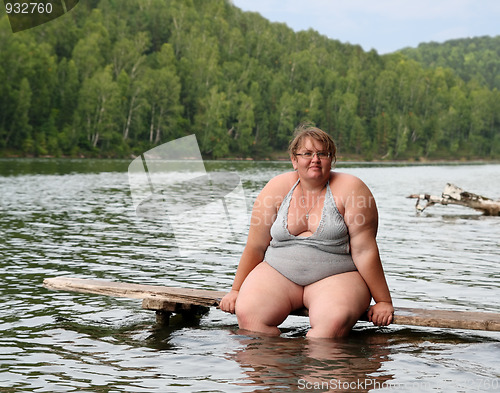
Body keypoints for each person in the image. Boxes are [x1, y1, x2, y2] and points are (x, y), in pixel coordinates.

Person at [219, 124, 394, 338]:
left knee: (330, 327)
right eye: (307, 154)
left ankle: (318, 369)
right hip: (278, 272)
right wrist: (235, 290)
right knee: (249, 317)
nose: (315, 159)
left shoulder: (352, 189)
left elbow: (365, 251)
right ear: (294, 160)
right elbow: (256, 246)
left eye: (323, 154)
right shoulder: (275, 188)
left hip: (337, 276)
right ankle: (280, 366)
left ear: (332, 159)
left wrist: (383, 301)